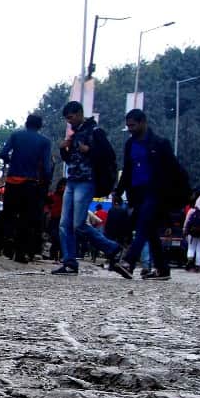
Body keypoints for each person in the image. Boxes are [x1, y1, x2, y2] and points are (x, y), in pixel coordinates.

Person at [52, 101, 127, 276]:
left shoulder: (95, 132)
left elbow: (109, 155)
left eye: (71, 118)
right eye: (67, 119)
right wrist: (64, 150)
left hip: (86, 181)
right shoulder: (75, 134)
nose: (69, 122)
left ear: (79, 113)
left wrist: (89, 150)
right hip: (72, 180)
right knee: (64, 224)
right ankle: (69, 262)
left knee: (78, 224)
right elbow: (71, 159)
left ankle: (111, 247)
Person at [112, 109, 187, 281]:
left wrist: (179, 192)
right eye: (128, 126)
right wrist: (119, 191)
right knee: (150, 230)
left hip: (156, 191)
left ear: (143, 122)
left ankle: (129, 262)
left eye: (133, 125)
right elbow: (127, 170)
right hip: (136, 192)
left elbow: (175, 169)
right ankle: (162, 269)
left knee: (143, 224)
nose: (130, 129)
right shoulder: (130, 144)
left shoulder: (160, 144)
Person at [0, 114, 52, 263]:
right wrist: (45, 182)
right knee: (26, 219)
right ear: (40, 126)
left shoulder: (16, 135)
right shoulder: (44, 142)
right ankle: (20, 253)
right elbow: (47, 167)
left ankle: (5, 246)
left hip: (12, 182)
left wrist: (12, 162)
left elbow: (3, 153)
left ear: (26, 123)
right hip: (30, 184)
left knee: (8, 215)